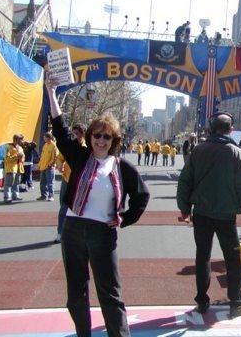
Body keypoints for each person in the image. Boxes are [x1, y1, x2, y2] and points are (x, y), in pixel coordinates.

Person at [45, 76, 150, 337]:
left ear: (113, 139)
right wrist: (51, 91)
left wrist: (124, 219)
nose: (101, 140)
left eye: (107, 136)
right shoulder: (80, 156)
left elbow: (141, 197)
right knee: (76, 294)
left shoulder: (122, 166)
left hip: (103, 233)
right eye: (96, 135)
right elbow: (60, 129)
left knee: (110, 295)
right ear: (90, 136)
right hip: (73, 229)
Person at [176, 112, 241, 318]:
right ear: (230, 129)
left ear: (212, 129)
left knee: (202, 255)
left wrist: (184, 209)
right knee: (232, 257)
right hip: (226, 214)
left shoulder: (198, 151)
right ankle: (236, 301)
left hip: (201, 212)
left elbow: (185, 180)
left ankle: (202, 301)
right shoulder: (237, 153)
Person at [54, 123, 86, 244]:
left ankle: (79, 234)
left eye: (77, 134)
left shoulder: (87, 146)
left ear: (83, 133)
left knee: (81, 208)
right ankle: (60, 232)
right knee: (63, 207)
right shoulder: (69, 146)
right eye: (73, 134)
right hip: (67, 179)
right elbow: (60, 157)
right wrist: (59, 164)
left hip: (81, 182)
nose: (75, 136)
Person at [3, 134, 25, 203]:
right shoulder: (8, 147)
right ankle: (7, 197)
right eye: (20, 139)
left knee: (16, 183)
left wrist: (22, 158)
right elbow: (6, 159)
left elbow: (23, 158)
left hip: (18, 168)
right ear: (15, 140)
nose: (22, 141)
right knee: (8, 184)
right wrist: (16, 156)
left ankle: (15, 196)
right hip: (11, 169)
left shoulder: (20, 148)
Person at [37, 131, 58, 202]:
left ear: (49, 137)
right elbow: (42, 156)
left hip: (49, 167)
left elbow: (55, 157)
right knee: (42, 182)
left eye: (45, 137)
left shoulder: (53, 146)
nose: (44, 138)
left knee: (50, 182)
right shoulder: (45, 145)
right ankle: (43, 195)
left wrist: (50, 164)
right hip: (43, 166)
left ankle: (51, 196)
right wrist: (39, 164)